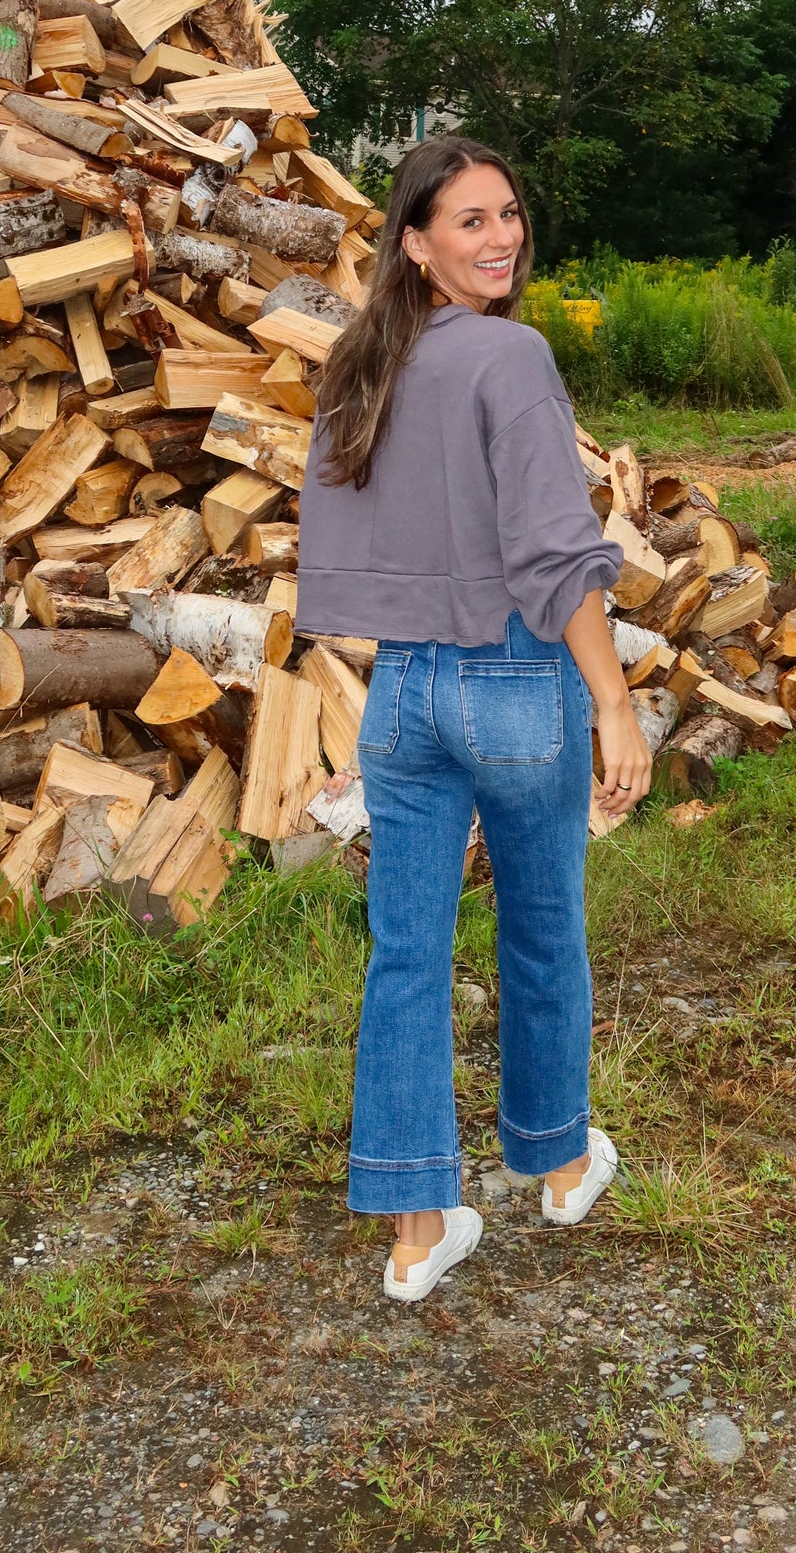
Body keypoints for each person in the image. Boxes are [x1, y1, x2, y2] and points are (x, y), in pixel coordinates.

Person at [297, 135, 653, 1303]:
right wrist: (612, 700)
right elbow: (556, 555)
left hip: (401, 690)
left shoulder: (365, 364)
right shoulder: (509, 356)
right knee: (542, 928)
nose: (499, 237)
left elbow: (342, 549)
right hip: (512, 677)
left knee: (404, 950)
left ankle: (417, 1223)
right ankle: (555, 1161)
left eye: (506, 214)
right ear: (414, 241)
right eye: (468, 221)